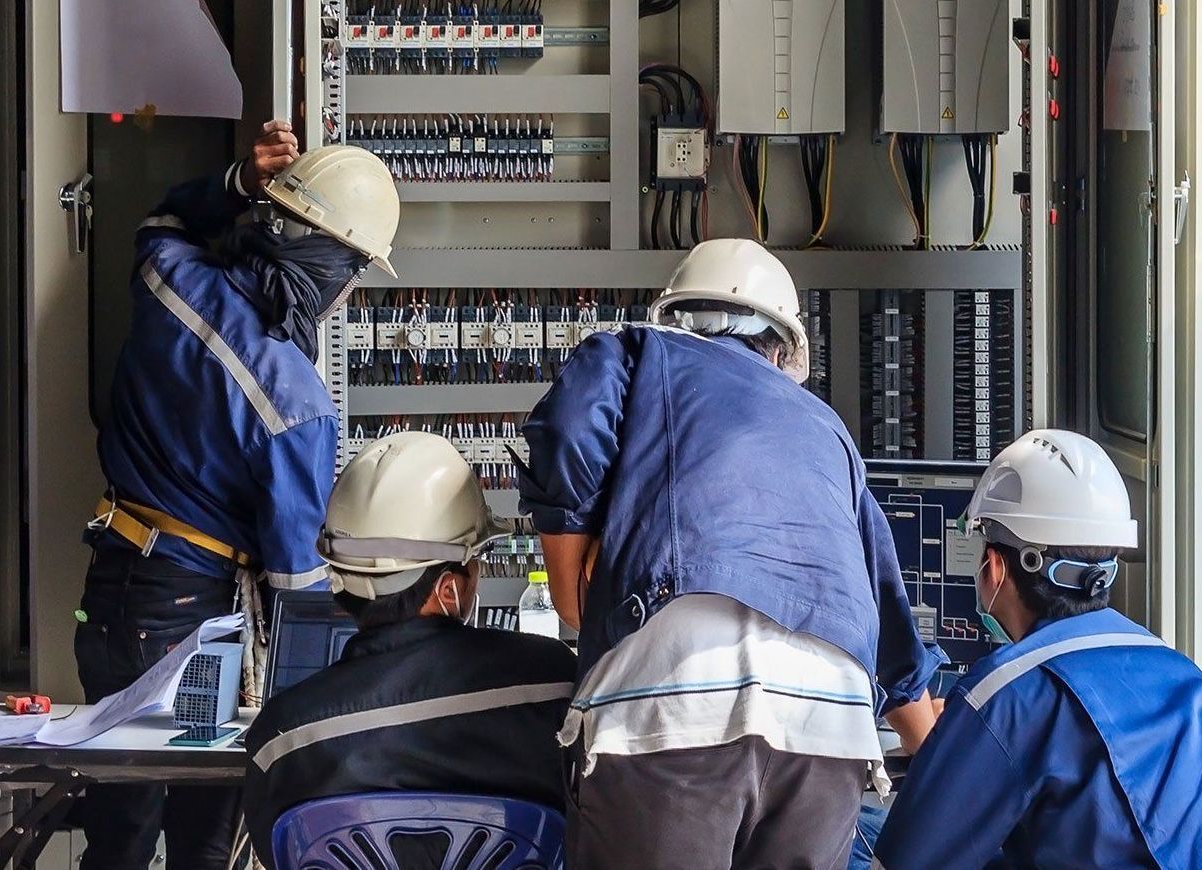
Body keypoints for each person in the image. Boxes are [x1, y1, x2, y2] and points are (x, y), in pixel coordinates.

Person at [518, 238, 946, 870]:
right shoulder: (827, 428)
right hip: (828, 728)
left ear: (677, 316)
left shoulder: (634, 350)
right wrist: (931, 756)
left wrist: (568, 584)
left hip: (672, 701)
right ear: (781, 350)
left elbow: (568, 430)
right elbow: (886, 609)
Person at [75, 122, 401, 869]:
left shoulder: (166, 276)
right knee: (206, 836)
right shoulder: (296, 407)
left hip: (113, 589)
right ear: (331, 267)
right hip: (194, 624)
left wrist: (240, 183)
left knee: (118, 833)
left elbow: (167, 216)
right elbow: (296, 586)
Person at [873, 430, 1202, 870]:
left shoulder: (1008, 692)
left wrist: (953, 742)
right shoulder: (1176, 668)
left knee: (862, 835)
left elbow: (906, 862)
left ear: (994, 566)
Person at [244, 431, 577, 868]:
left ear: (339, 578)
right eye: (476, 559)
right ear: (449, 589)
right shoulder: (555, 687)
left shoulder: (279, 740)